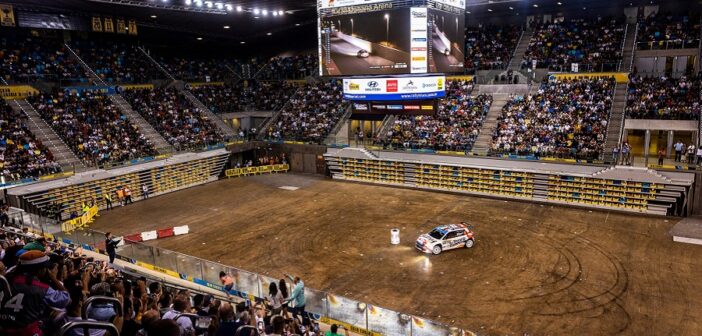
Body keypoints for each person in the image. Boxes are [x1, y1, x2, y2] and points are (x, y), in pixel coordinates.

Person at [0, 250, 70, 336]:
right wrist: (53, 278)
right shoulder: (42, 289)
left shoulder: (5, 280)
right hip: (27, 332)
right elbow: (65, 299)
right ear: (40, 270)